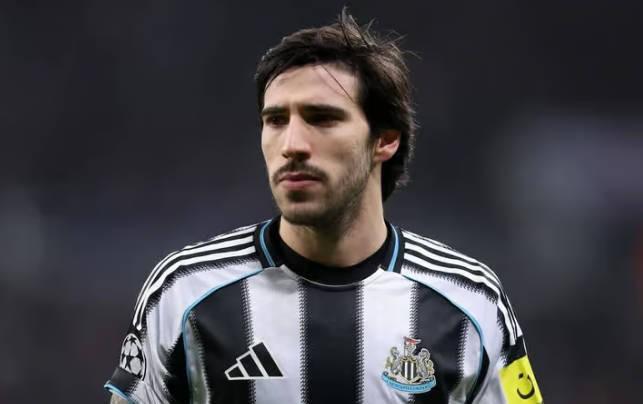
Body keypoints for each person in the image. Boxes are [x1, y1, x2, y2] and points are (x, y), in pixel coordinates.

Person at [106, 9, 542, 404]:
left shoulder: (470, 300)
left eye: (322, 118)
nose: (292, 144)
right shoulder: (184, 290)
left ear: (385, 140)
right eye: (276, 120)